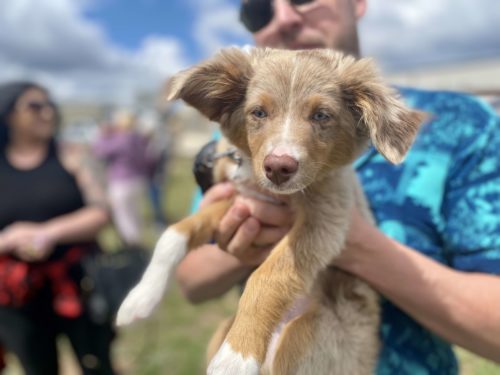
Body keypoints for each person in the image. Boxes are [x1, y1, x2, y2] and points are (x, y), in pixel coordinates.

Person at [175, 0, 500, 373]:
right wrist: (240, 244)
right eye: (259, 11)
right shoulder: (246, 132)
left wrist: (348, 240)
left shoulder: (462, 126)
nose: (284, 19)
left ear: (357, 4)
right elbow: (190, 281)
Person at [0, 81, 116, 375]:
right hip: (16, 293)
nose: (47, 113)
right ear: (8, 115)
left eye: (50, 105)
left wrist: (47, 233)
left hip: (78, 282)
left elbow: (101, 211)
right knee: (36, 366)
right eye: (35, 106)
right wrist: (9, 239)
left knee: (97, 364)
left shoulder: (72, 155)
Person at [93, 109, 151, 247]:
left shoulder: (122, 138)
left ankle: (131, 244)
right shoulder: (138, 138)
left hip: (121, 182)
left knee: (123, 215)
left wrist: (103, 136)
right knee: (134, 213)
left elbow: (99, 151)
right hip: (138, 180)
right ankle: (137, 240)